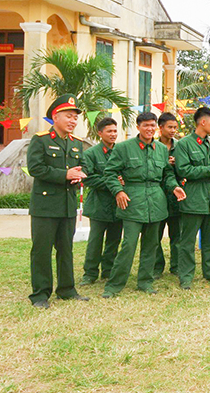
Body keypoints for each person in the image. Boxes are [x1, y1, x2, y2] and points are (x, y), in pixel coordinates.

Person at [102, 112, 186, 297]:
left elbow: (167, 174)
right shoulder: (124, 148)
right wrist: (119, 191)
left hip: (156, 203)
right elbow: (110, 172)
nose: (150, 129)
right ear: (138, 127)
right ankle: (114, 285)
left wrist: (174, 187)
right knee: (129, 245)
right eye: (146, 125)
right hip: (132, 202)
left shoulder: (161, 149)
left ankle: (145, 282)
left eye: (152, 125)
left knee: (151, 245)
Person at [26, 94, 89, 308]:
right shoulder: (41, 139)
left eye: (75, 118)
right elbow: (36, 169)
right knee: (42, 250)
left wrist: (81, 174)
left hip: (67, 204)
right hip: (45, 206)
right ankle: (40, 294)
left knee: (66, 249)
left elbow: (84, 165)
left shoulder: (76, 143)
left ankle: (67, 289)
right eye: (68, 116)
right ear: (56, 116)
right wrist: (65, 174)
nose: (73, 121)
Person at [173, 106, 210, 289]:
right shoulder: (184, 144)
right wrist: (209, 171)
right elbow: (183, 170)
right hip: (193, 198)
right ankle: (186, 276)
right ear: (202, 122)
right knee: (188, 240)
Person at [79, 117, 123, 285]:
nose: (113, 134)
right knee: (95, 241)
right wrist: (112, 183)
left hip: (118, 204)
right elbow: (87, 179)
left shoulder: (121, 151)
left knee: (114, 240)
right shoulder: (91, 154)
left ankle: (108, 271)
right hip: (99, 204)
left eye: (115, 131)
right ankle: (89, 274)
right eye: (109, 131)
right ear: (100, 133)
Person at [153, 111, 181, 278]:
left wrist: (178, 164)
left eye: (175, 128)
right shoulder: (153, 146)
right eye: (169, 127)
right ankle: (157, 267)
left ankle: (176, 266)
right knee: (155, 235)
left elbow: (188, 166)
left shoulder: (181, 146)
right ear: (160, 127)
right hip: (158, 195)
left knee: (177, 234)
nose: (172, 130)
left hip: (177, 195)